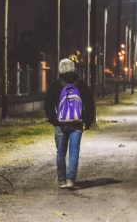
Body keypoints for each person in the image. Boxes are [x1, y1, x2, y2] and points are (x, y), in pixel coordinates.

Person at [44, 58, 95, 189]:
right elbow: (89, 104)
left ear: (60, 69)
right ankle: (71, 180)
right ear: (73, 69)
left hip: (60, 124)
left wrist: (53, 119)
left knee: (60, 152)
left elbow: (47, 104)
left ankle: (61, 180)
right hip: (77, 123)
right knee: (74, 151)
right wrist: (88, 121)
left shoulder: (55, 85)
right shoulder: (81, 85)